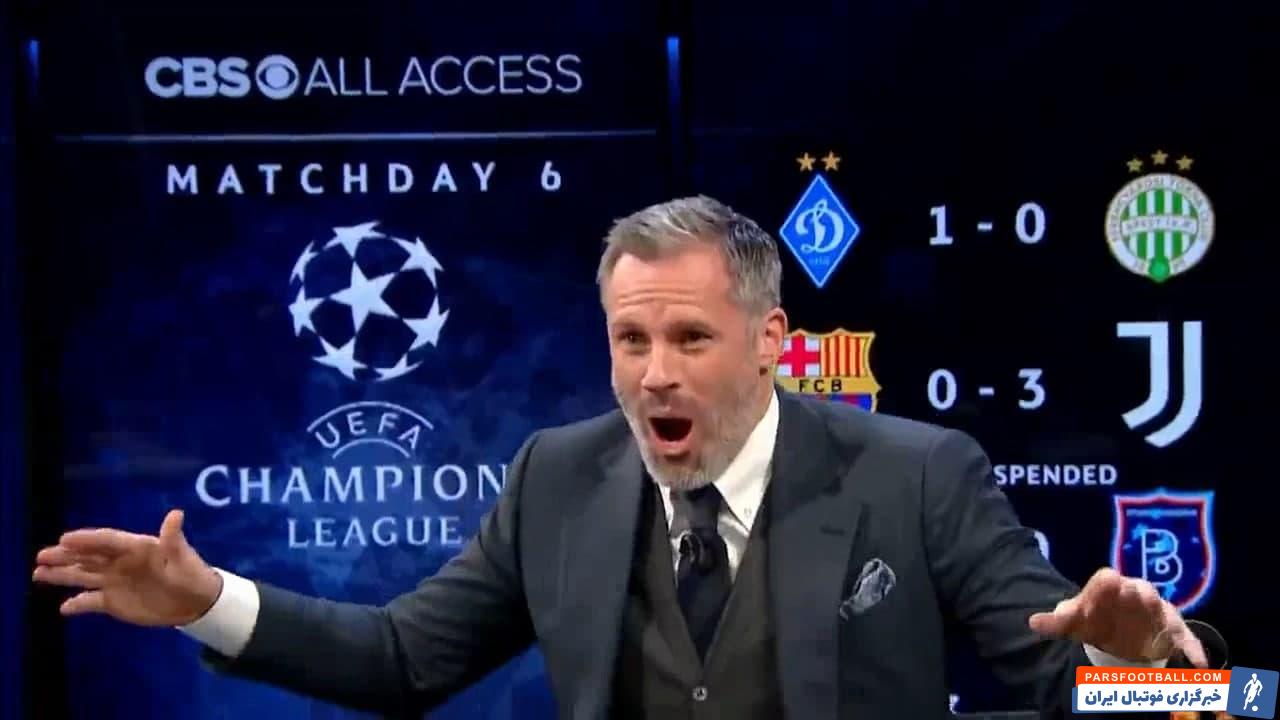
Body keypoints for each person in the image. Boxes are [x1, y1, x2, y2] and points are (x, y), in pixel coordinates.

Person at [33, 196, 1226, 719]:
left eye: (689, 339)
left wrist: (1151, 668)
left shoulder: (914, 474)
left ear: (769, 343)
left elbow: (1116, 694)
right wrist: (207, 601)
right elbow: (402, 660)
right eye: (629, 339)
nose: (654, 374)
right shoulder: (558, 476)